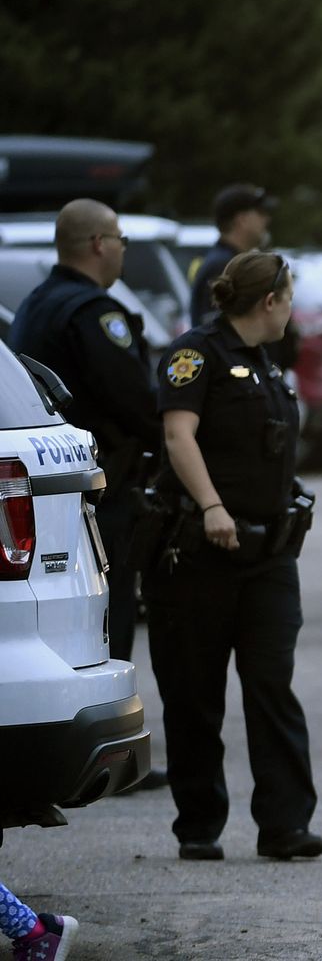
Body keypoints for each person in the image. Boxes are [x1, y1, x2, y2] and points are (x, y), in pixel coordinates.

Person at [147, 249, 322, 862]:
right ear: (270, 301)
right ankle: (199, 824)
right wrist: (212, 506)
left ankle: (285, 824)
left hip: (268, 555)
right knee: (195, 691)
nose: (293, 306)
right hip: (202, 551)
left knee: (272, 683)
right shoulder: (198, 354)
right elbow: (178, 434)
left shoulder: (266, 360)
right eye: (290, 296)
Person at [6, 200, 170, 783]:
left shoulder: (35, 302)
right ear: (99, 243)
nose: (123, 249)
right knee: (109, 607)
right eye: (121, 239)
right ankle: (111, 745)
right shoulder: (96, 312)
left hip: (56, 483)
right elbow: (134, 399)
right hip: (100, 487)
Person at [190, 183, 299, 369]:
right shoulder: (222, 266)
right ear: (242, 219)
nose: (267, 220)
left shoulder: (237, 261)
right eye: (261, 213)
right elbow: (220, 337)